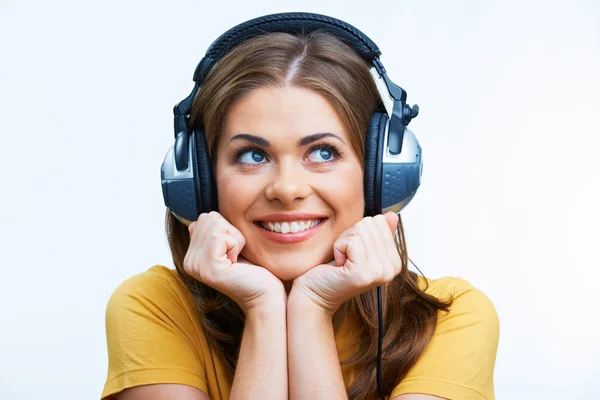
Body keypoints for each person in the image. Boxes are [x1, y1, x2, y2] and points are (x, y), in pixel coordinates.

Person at [101, 13, 500, 400]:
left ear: (380, 174)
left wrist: (312, 309)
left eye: (323, 152)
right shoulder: (152, 307)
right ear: (198, 181)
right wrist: (263, 309)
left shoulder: (453, 318)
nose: (287, 189)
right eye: (252, 155)